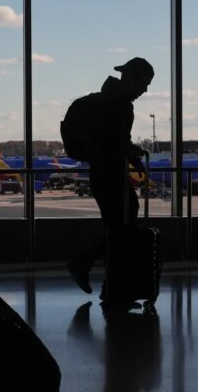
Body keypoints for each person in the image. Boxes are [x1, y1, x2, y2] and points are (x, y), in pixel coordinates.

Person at [66, 57, 153, 299]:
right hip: (108, 174)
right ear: (133, 80)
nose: (145, 90)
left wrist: (131, 156)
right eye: (144, 84)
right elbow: (115, 142)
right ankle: (96, 274)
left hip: (105, 171)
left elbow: (114, 141)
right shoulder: (118, 105)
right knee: (120, 229)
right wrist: (130, 152)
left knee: (118, 227)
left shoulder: (111, 101)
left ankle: (108, 283)